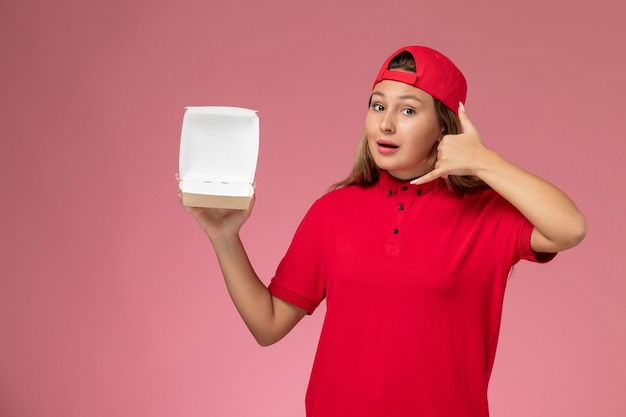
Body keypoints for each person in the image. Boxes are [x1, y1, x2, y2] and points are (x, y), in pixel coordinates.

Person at [177, 45, 587, 417]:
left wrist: (484, 163)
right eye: (377, 106)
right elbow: (267, 325)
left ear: (444, 127)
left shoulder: (485, 214)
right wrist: (224, 236)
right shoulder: (333, 212)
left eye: (408, 110)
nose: (386, 124)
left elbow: (569, 228)